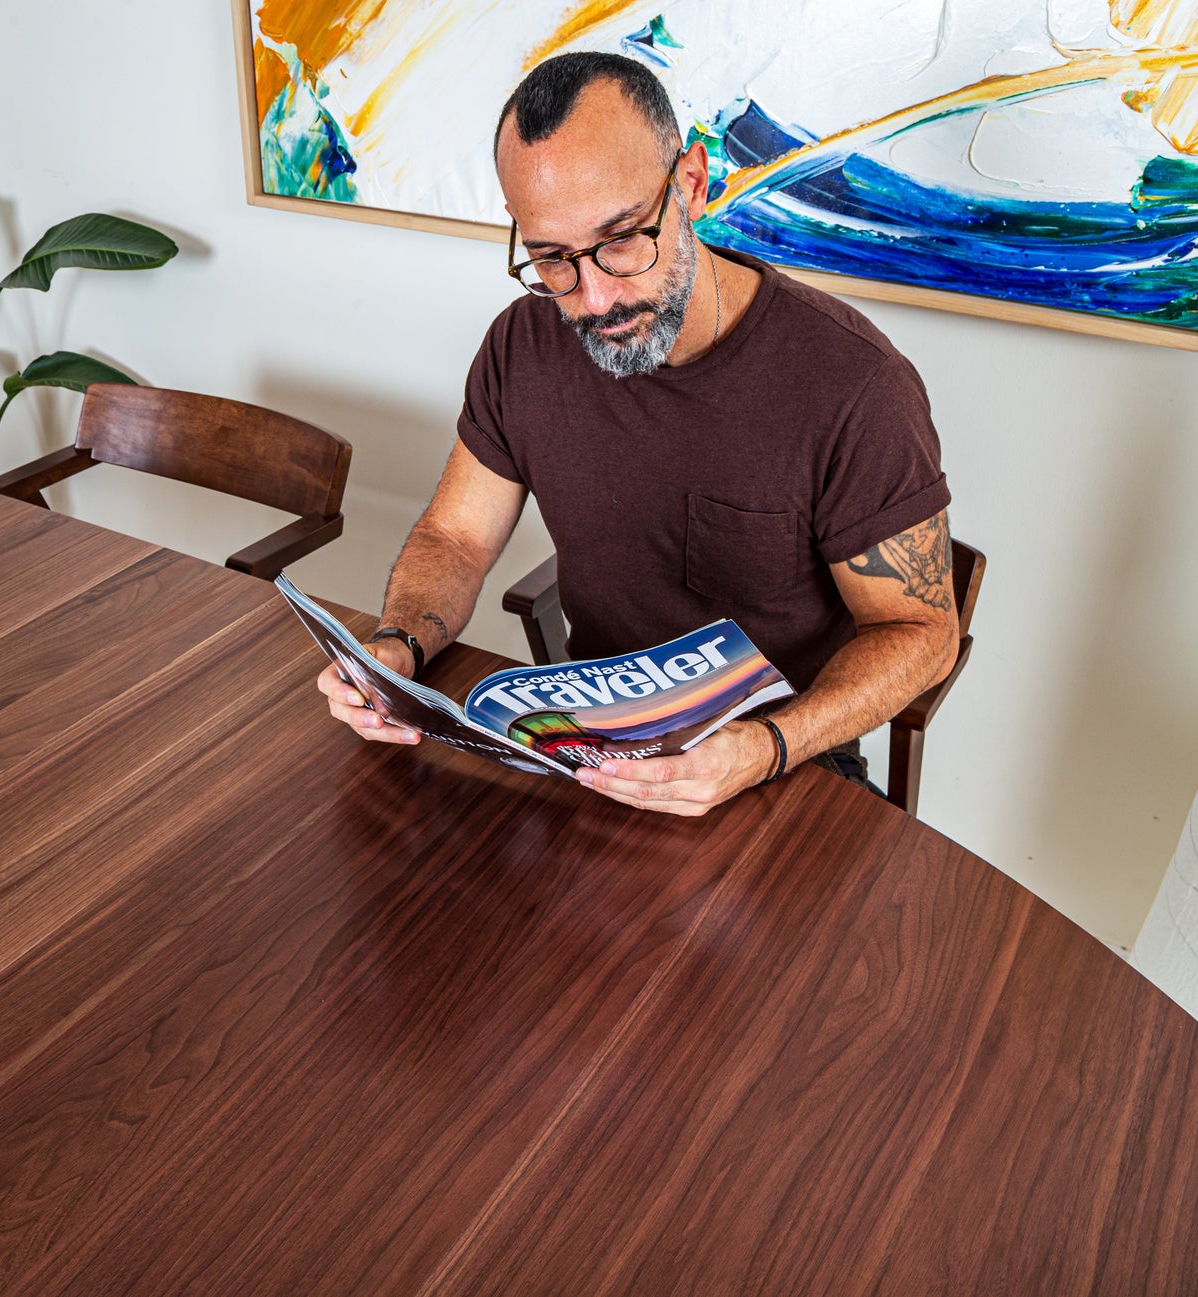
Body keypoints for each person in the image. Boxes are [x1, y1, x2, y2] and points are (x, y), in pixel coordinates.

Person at [318, 51, 958, 817]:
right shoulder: (523, 345)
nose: (594, 297)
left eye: (622, 238)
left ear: (690, 183)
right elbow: (456, 538)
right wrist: (396, 648)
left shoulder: (851, 385)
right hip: (597, 756)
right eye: (553, 258)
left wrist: (762, 750)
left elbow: (920, 630)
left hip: (786, 767)